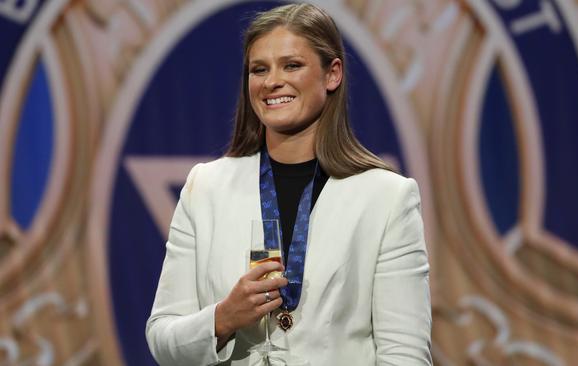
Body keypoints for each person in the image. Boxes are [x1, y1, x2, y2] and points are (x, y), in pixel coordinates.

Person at [145, 3, 432, 365]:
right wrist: (223, 318)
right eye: (258, 69)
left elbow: (405, 355)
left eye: (292, 65)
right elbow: (162, 339)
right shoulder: (205, 187)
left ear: (332, 74)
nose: (271, 81)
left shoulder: (387, 198)